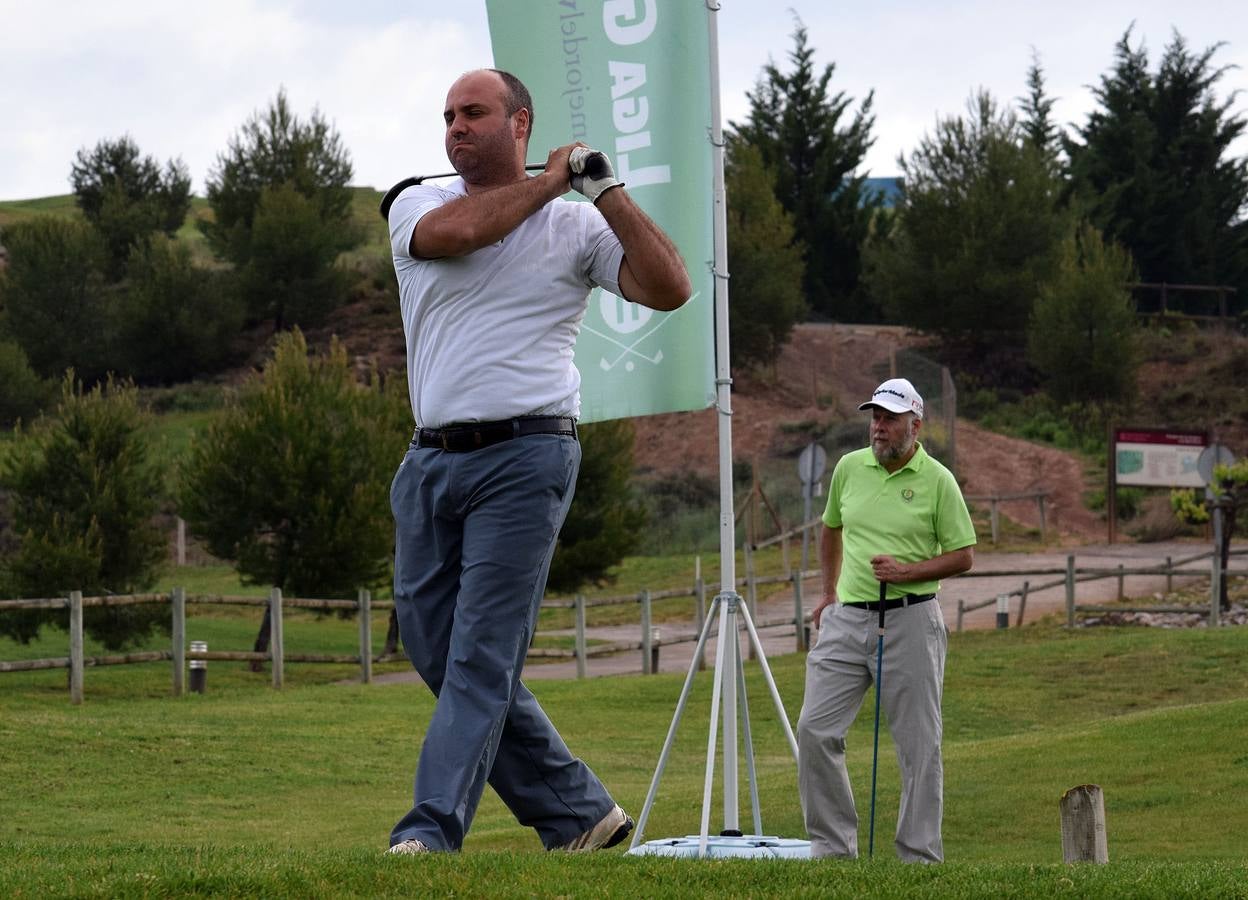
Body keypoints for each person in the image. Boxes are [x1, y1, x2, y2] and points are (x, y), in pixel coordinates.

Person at [383, 68, 691, 855]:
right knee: (433, 646)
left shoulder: (577, 228)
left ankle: (430, 832)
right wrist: (553, 179)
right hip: (430, 462)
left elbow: (670, 288)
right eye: (448, 113)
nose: (455, 126)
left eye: (474, 112)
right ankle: (576, 811)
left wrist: (605, 191)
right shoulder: (417, 202)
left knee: (481, 652)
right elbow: (460, 236)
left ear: (518, 121)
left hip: (528, 455)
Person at [797, 377, 975, 862]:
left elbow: (963, 556)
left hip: (912, 621)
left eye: (890, 418)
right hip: (846, 620)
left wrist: (908, 572)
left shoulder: (938, 480)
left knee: (919, 747)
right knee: (815, 730)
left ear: (915, 425)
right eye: (874, 417)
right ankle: (833, 851)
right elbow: (831, 527)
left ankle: (918, 857)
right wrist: (828, 591)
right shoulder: (850, 468)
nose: (878, 426)